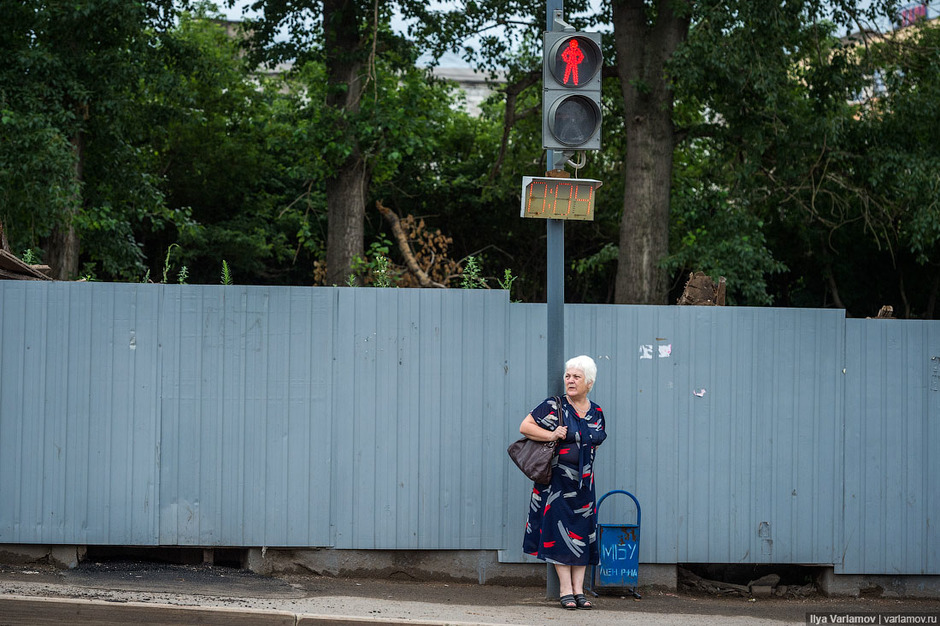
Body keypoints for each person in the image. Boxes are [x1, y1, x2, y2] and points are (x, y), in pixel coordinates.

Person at [520, 355, 607, 610]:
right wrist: (552, 433)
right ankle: (565, 590)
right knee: (558, 534)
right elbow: (525, 427)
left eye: (576, 377)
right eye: (568, 376)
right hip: (556, 485)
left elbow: (594, 443)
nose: (570, 380)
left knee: (581, 534)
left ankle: (580, 590)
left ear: (588, 383)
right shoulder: (554, 406)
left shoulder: (597, 411)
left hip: (583, 485)